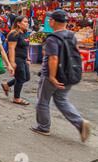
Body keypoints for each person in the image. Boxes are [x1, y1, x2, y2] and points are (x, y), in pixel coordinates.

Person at [30, 10, 91, 142]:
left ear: (52, 21)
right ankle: (80, 123)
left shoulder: (52, 38)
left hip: (53, 75)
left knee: (43, 101)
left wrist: (52, 77)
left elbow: (53, 58)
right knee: (61, 100)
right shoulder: (71, 35)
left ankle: (43, 127)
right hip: (69, 74)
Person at [1, 16, 31, 106]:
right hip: (17, 58)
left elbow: (27, 47)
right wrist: (12, 62)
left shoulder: (24, 33)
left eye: (27, 22)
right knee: (21, 78)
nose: (27, 23)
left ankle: (7, 85)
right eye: (25, 22)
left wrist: (28, 58)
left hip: (23, 58)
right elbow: (11, 48)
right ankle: (16, 98)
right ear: (18, 23)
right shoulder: (13, 34)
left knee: (27, 77)